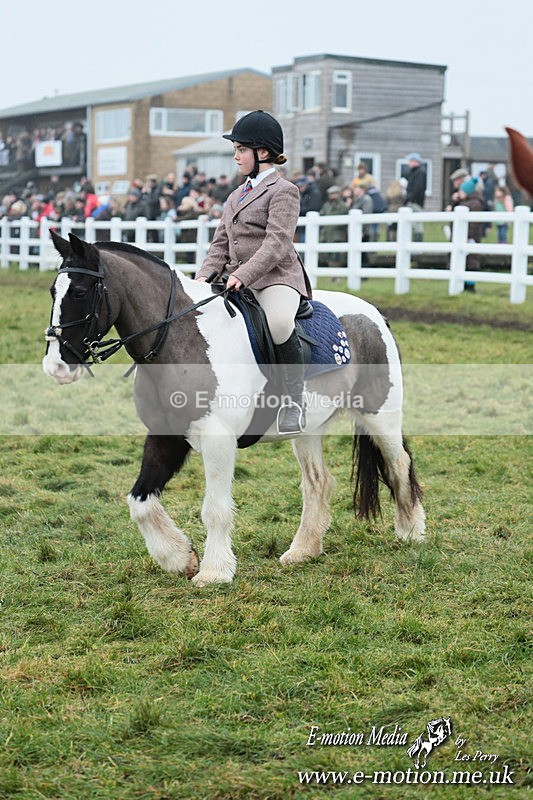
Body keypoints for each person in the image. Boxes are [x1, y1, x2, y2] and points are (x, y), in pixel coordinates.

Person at [195, 110, 312, 434]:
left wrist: (244, 275)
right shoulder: (236, 194)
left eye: (240, 150)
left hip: (275, 277)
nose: (236, 156)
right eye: (235, 150)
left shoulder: (283, 190)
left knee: (277, 323)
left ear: (262, 153)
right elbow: (220, 243)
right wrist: (204, 276)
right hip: (234, 277)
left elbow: (276, 243)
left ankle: (293, 403)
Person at [449, 176, 485, 292]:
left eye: (462, 191)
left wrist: (469, 236)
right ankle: (463, 285)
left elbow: (473, 224)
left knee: (471, 261)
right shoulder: (465, 203)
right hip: (465, 236)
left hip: (470, 237)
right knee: (464, 260)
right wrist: (455, 201)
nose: (459, 193)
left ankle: (470, 286)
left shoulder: (474, 204)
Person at [319, 184, 349, 268]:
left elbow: (344, 218)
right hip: (327, 233)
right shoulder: (326, 205)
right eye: (331, 194)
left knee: (337, 254)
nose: (332, 196)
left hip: (337, 234)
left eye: (334, 194)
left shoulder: (342, 206)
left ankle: (336, 273)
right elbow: (321, 215)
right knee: (328, 254)